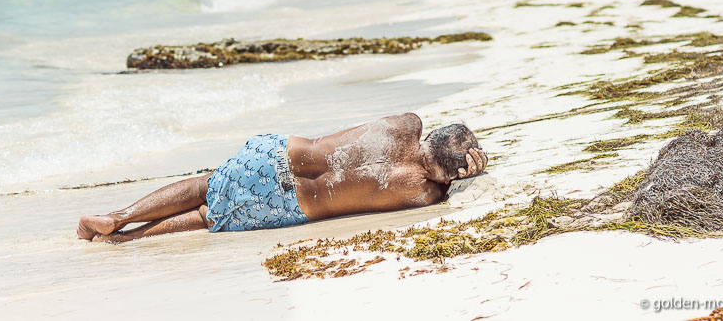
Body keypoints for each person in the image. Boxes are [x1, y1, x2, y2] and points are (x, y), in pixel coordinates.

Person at [77, 113, 487, 243]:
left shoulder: (407, 124)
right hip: (291, 203)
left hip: (278, 155)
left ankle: (118, 216)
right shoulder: (424, 192)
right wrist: (470, 171)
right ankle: (125, 238)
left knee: (207, 184)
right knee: (207, 216)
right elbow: (444, 181)